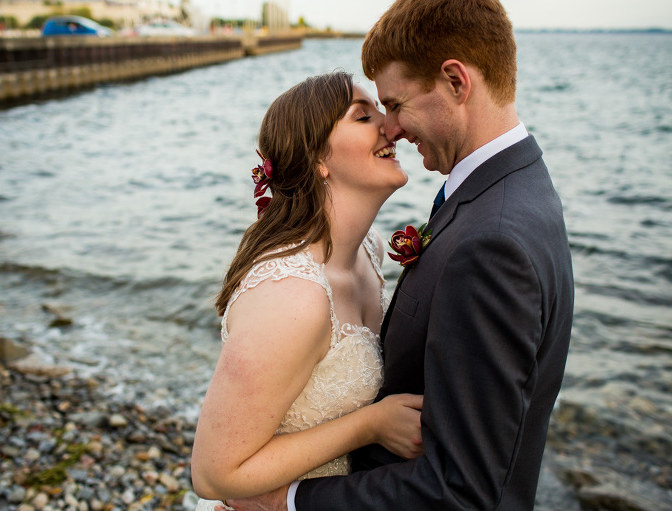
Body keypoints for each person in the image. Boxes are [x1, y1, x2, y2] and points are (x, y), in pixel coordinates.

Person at [223, 0, 575, 510]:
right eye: (372, 112)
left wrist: (289, 501)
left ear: (456, 82)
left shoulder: (491, 240)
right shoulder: (519, 190)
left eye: (395, 104)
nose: (394, 128)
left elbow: (461, 490)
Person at [189, 71, 425, 511]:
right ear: (319, 157)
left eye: (383, 110)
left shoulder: (368, 251)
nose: (391, 126)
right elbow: (212, 473)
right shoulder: (292, 295)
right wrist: (369, 425)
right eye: (363, 115)